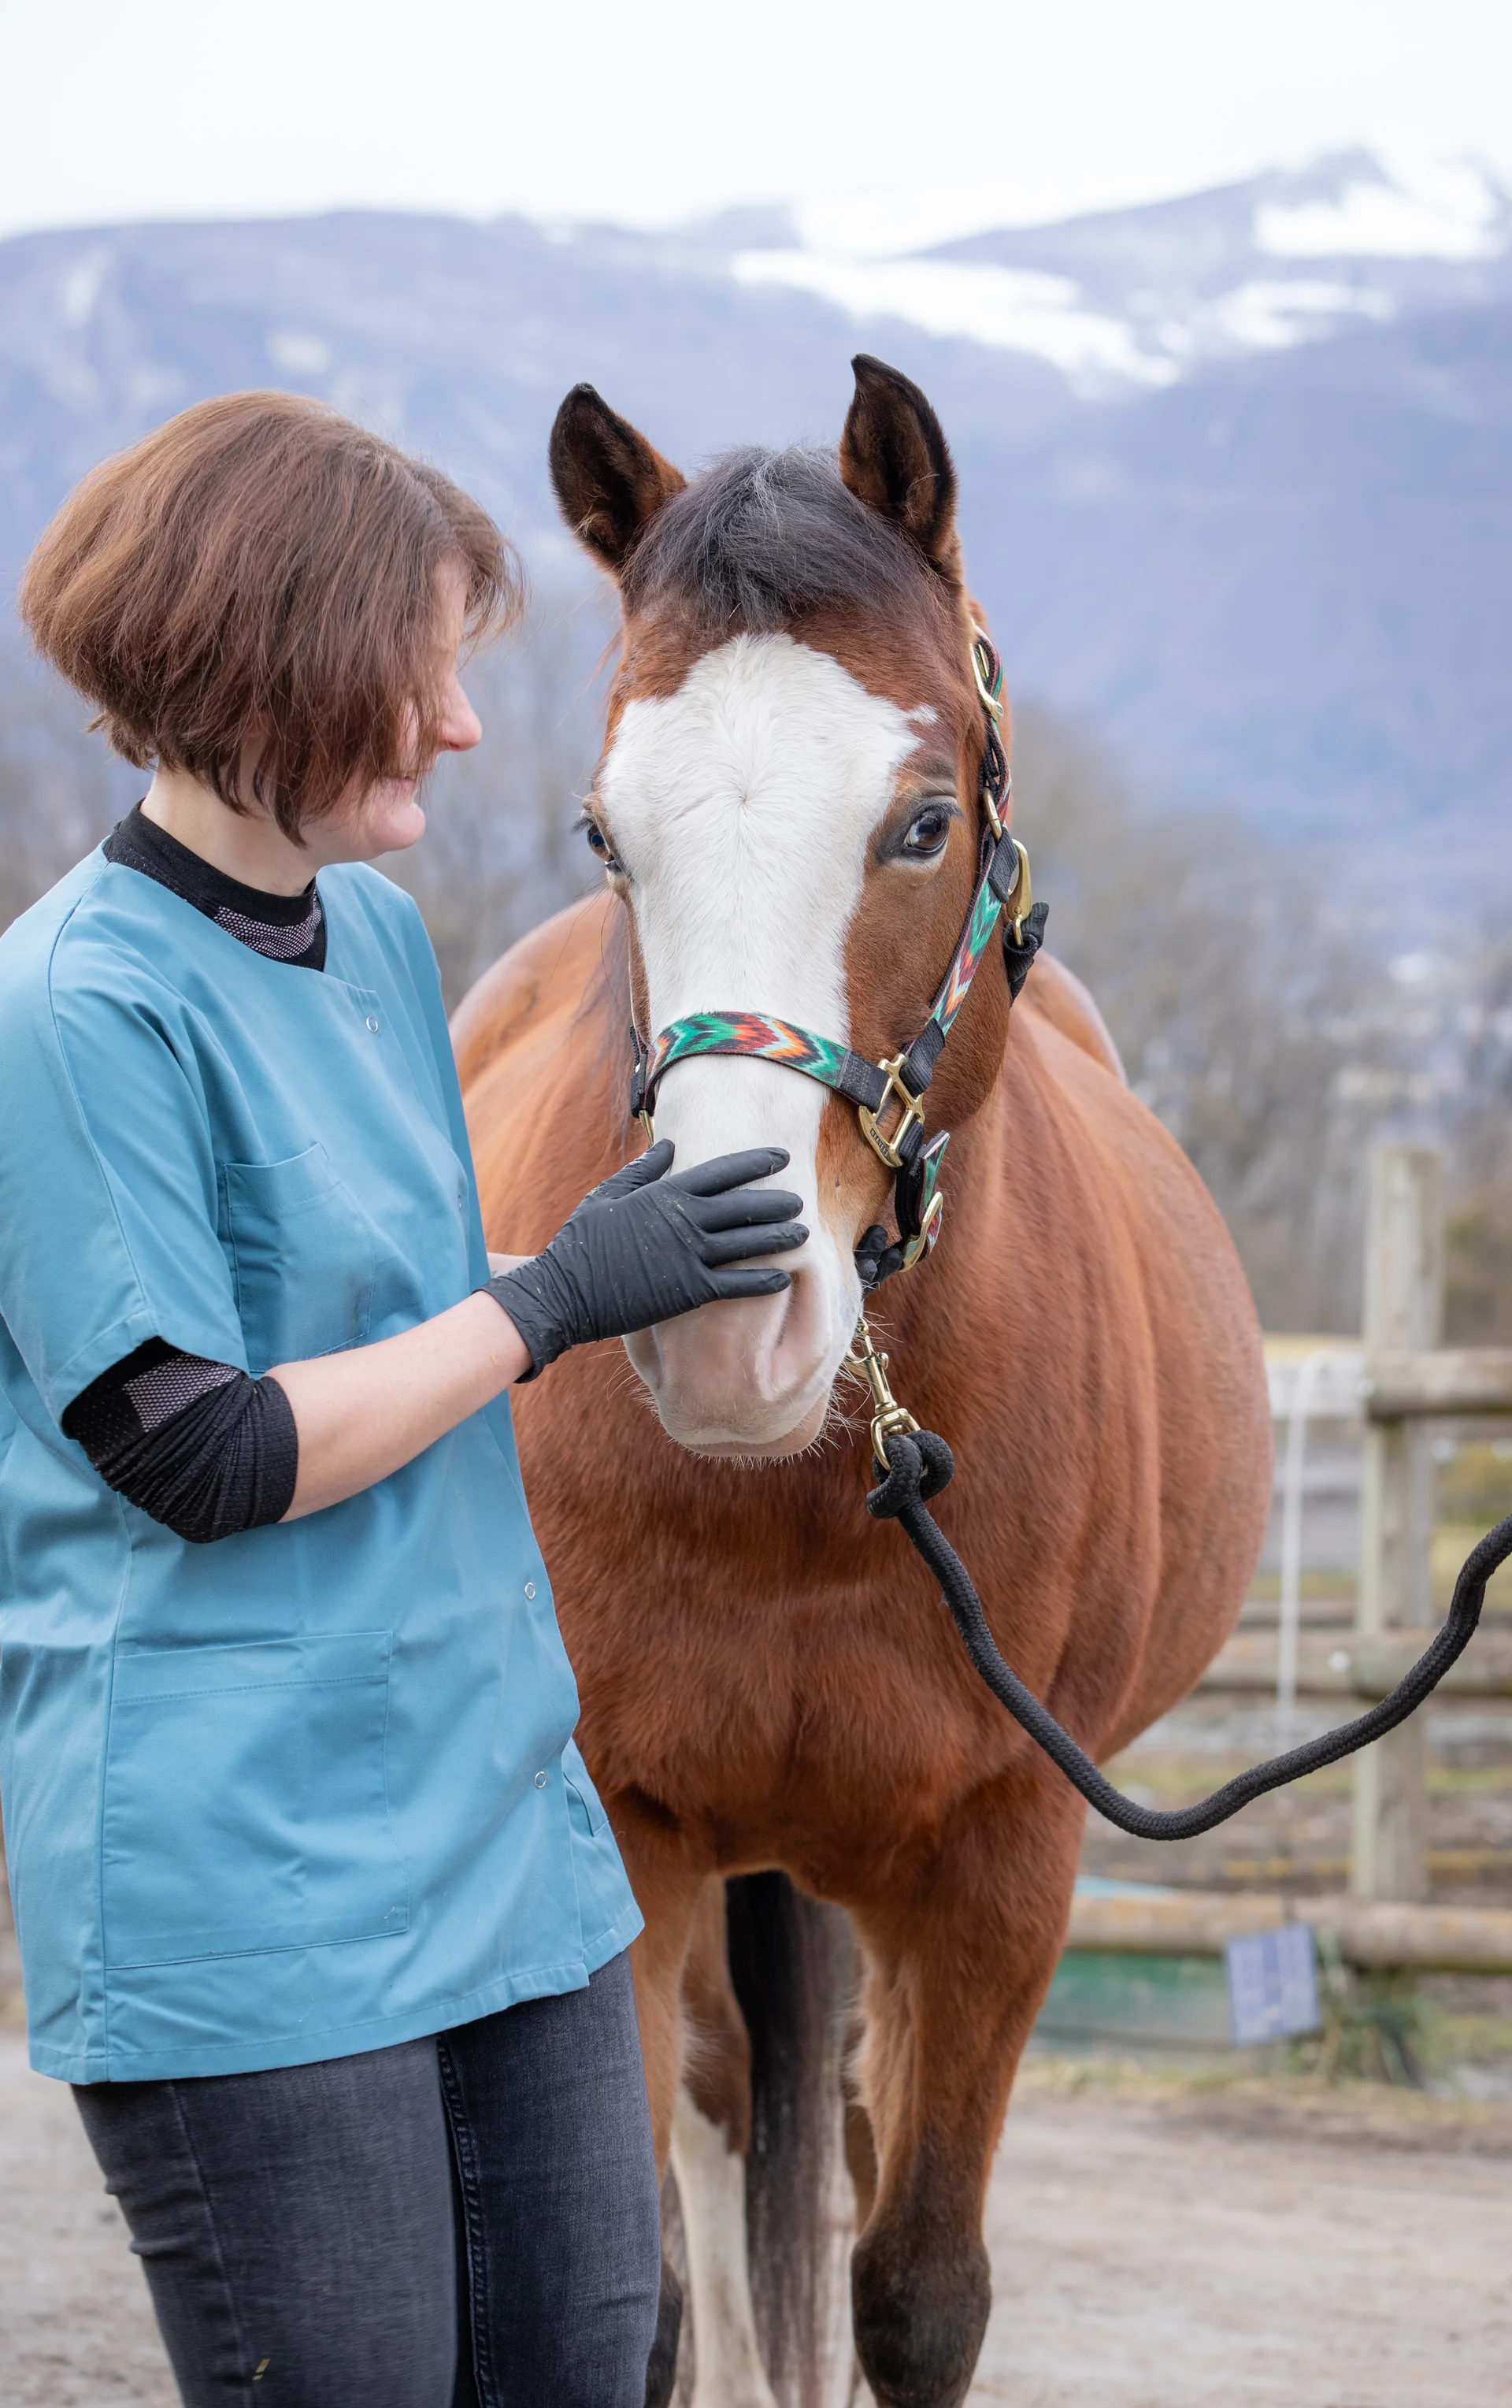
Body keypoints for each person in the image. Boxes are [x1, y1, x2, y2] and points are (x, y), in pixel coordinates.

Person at [0, 391, 806, 2407]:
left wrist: (626, 1272)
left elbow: (405, 1323)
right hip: (249, 1869)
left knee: (593, 2365)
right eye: (426, 670)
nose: (460, 725)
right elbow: (198, 1447)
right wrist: (547, 1301)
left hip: (497, 1824)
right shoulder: (73, 1010)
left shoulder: (370, 937)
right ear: (281, 659)